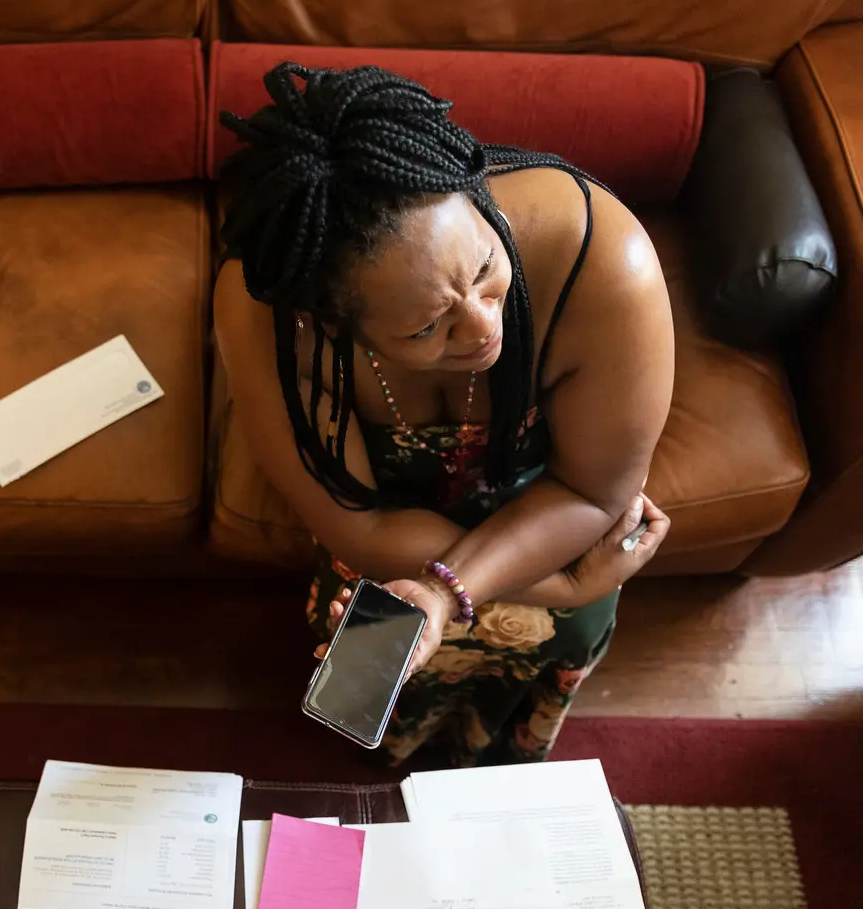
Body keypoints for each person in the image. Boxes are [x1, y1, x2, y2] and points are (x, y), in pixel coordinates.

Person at [215, 63, 674, 767]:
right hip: (451, 550)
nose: (484, 327)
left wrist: (443, 591)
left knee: (558, 635)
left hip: (548, 513)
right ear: (330, 320)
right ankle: (386, 760)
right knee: (370, 674)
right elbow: (359, 528)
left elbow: (589, 492)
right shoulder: (268, 322)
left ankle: (495, 759)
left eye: (487, 268)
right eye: (428, 328)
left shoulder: (604, 259)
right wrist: (570, 584)